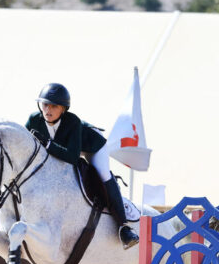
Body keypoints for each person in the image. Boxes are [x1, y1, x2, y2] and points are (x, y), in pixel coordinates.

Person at [25, 83, 139, 250]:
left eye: (54, 106)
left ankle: (124, 227)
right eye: (45, 104)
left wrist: (48, 144)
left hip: (92, 146)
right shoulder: (34, 119)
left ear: (63, 109)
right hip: (66, 147)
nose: (47, 109)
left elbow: (72, 157)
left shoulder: (73, 122)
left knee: (103, 174)